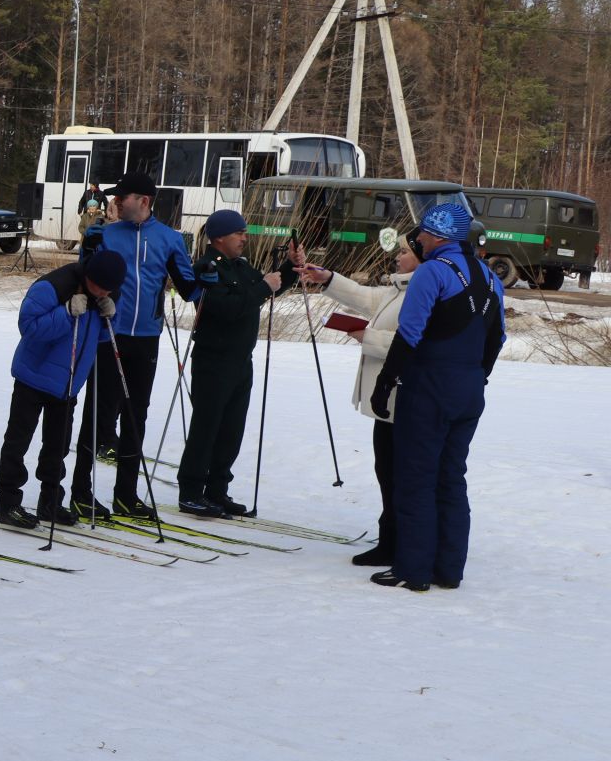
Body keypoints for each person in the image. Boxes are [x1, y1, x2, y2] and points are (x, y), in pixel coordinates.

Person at [369, 203, 505, 591]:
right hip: (469, 389)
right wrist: (477, 377)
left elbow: (409, 333)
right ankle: (448, 569)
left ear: (438, 235)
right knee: (451, 477)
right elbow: (497, 339)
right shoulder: (491, 278)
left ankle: (412, 570)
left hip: (429, 386)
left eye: (423, 235)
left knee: (416, 477)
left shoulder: (433, 272)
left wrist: (385, 383)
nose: (419, 241)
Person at [72, 171, 197, 519]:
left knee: (135, 416)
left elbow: (189, 290)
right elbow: (82, 278)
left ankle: (126, 495)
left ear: (142, 201)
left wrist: (207, 275)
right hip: (107, 333)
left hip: (146, 339)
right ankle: (80, 492)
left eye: (120, 197)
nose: (114, 202)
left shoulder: (170, 239)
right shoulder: (105, 235)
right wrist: (88, 250)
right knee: (96, 414)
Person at [294, 229, 422, 566]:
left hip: (402, 396)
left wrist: (368, 336)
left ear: (421, 258)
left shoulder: (421, 292)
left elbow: (412, 345)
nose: (397, 255)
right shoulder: (401, 288)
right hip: (387, 398)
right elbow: (365, 297)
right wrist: (328, 278)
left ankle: (396, 543)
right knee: (386, 469)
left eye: (404, 251)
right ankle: (391, 538)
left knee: (396, 471)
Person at [173, 209, 294, 518]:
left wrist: (291, 266)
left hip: (241, 360)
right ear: (218, 238)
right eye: (238, 233)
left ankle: (217, 490)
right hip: (214, 360)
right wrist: (264, 287)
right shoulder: (207, 268)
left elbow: (267, 287)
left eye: (244, 232)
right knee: (206, 427)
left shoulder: (240, 266)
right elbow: (227, 308)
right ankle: (190, 490)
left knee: (231, 430)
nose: (244, 237)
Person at [0, 249, 126, 528]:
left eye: (110, 289)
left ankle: (50, 501)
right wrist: (65, 312)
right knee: (18, 441)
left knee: (58, 447)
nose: (104, 292)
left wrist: (109, 318)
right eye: (100, 286)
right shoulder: (54, 286)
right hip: (33, 377)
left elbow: (100, 336)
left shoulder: (105, 294)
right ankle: (8, 502)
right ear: (89, 275)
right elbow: (29, 328)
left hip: (68, 385)